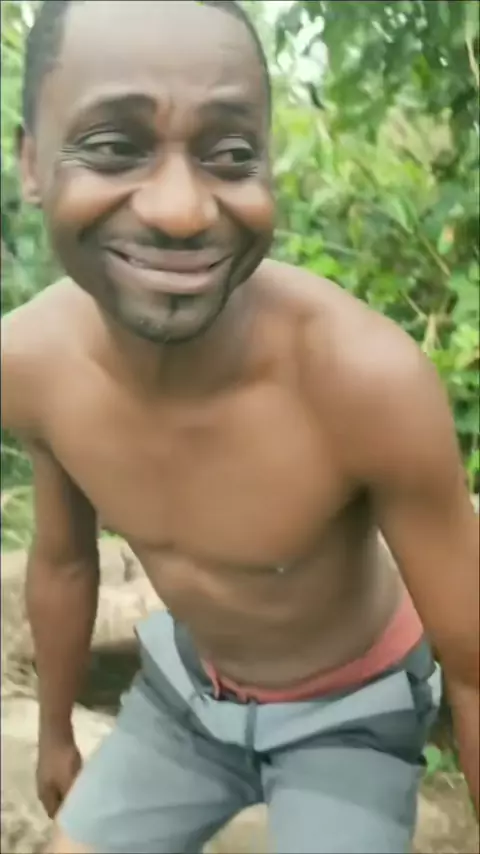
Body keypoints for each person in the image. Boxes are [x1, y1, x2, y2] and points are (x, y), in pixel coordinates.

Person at [2, 1, 478, 852]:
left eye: (230, 155)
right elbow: (65, 558)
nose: (182, 210)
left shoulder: (361, 381)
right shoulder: (30, 365)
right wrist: (56, 731)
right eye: (113, 146)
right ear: (32, 162)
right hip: (189, 695)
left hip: (353, 711)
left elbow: (476, 668)